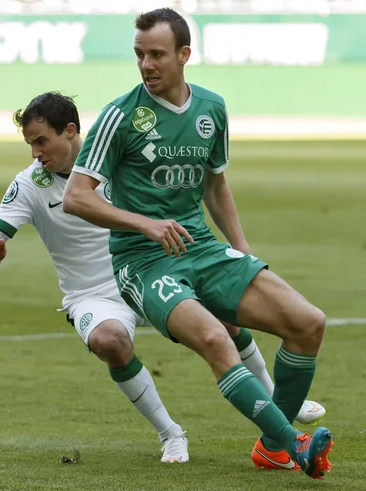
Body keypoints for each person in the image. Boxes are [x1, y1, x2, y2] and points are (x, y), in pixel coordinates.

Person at [0, 92, 325, 465]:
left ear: (71, 131)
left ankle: (276, 404)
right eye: (30, 144)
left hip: (153, 271)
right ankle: (170, 434)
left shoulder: (115, 161)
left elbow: (203, 186)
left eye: (41, 141)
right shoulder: (31, 184)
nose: (35, 153)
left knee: (223, 315)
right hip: (94, 294)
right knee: (110, 342)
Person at [63, 7, 333, 479]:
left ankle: (272, 447)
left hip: (203, 248)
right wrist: (143, 224)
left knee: (308, 323)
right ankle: (295, 444)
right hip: (143, 262)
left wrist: (242, 247)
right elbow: (76, 198)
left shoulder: (211, 108)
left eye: (157, 54)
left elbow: (215, 186)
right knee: (215, 338)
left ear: (184, 55)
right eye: (139, 54)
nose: (147, 64)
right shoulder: (119, 116)